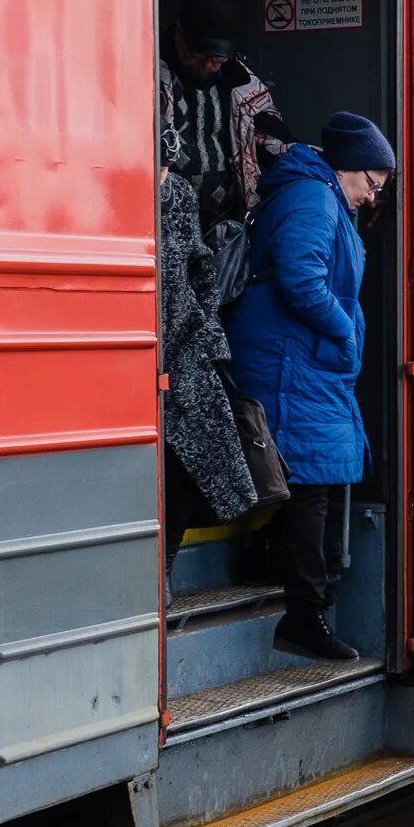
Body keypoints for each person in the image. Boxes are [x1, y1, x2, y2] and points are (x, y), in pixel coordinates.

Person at [226, 113, 395, 661]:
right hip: (290, 357)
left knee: (299, 473)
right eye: (371, 184)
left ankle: (279, 574)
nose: (372, 198)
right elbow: (302, 280)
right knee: (311, 481)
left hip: (296, 355)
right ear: (347, 168)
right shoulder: (313, 200)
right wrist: (344, 329)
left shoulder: (315, 195)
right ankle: (306, 614)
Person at [158, 156, 258, 592]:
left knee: (191, 459)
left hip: (184, 347)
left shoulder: (177, 192)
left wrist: (208, 332)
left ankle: (165, 565)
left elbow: (199, 268)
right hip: (145, 348)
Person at [160, 0, 294, 227]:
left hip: (224, 225)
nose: (211, 65)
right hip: (164, 223)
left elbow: (278, 142)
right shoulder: (147, 73)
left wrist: (335, 174)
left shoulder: (239, 82)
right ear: (180, 36)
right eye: (202, 56)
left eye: (219, 59)